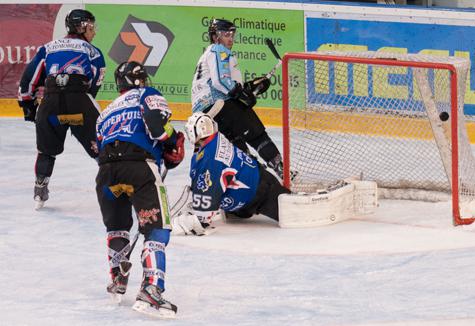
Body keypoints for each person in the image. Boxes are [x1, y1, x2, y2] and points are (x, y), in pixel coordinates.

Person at [95, 61, 184, 318]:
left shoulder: (106, 111)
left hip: (106, 173)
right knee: (157, 228)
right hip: (139, 168)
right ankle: (152, 291)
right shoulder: (147, 94)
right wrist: (171, 143)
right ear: (140, 80)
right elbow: (158, 126)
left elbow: (99, 147)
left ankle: (117, 279)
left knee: (117, 227)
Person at [17, 9, 106, 210]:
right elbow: (94, 84)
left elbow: (28, 79)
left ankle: (40, 187)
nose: (94, 32)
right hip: (79, 104)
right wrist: (80, 102)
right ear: (81, 27)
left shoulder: (48, 48)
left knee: (46, 150)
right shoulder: (93, 52)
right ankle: (114, 185)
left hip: (50, 106)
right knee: (103, 145)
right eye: (91, 27)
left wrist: (28, 106)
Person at [191, 19, 285, 179]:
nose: (230, 38)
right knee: (257, 134)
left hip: (206, 114)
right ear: (215, 37)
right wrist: (241, 94)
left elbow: (222, 82)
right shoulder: (218, 49)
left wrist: (246, 88)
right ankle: (282, 170)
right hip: (220, 104)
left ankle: (259, 178)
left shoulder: (206, 55)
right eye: (226, 34)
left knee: (237, 146)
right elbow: (220, 81)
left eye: (232, 34)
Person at [173, 112, 290, 236]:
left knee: (294, 213)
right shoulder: (215, 139)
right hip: (254, 187)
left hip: (262, 192)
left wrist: (196, 218)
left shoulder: (211, 158)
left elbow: (204, 212)